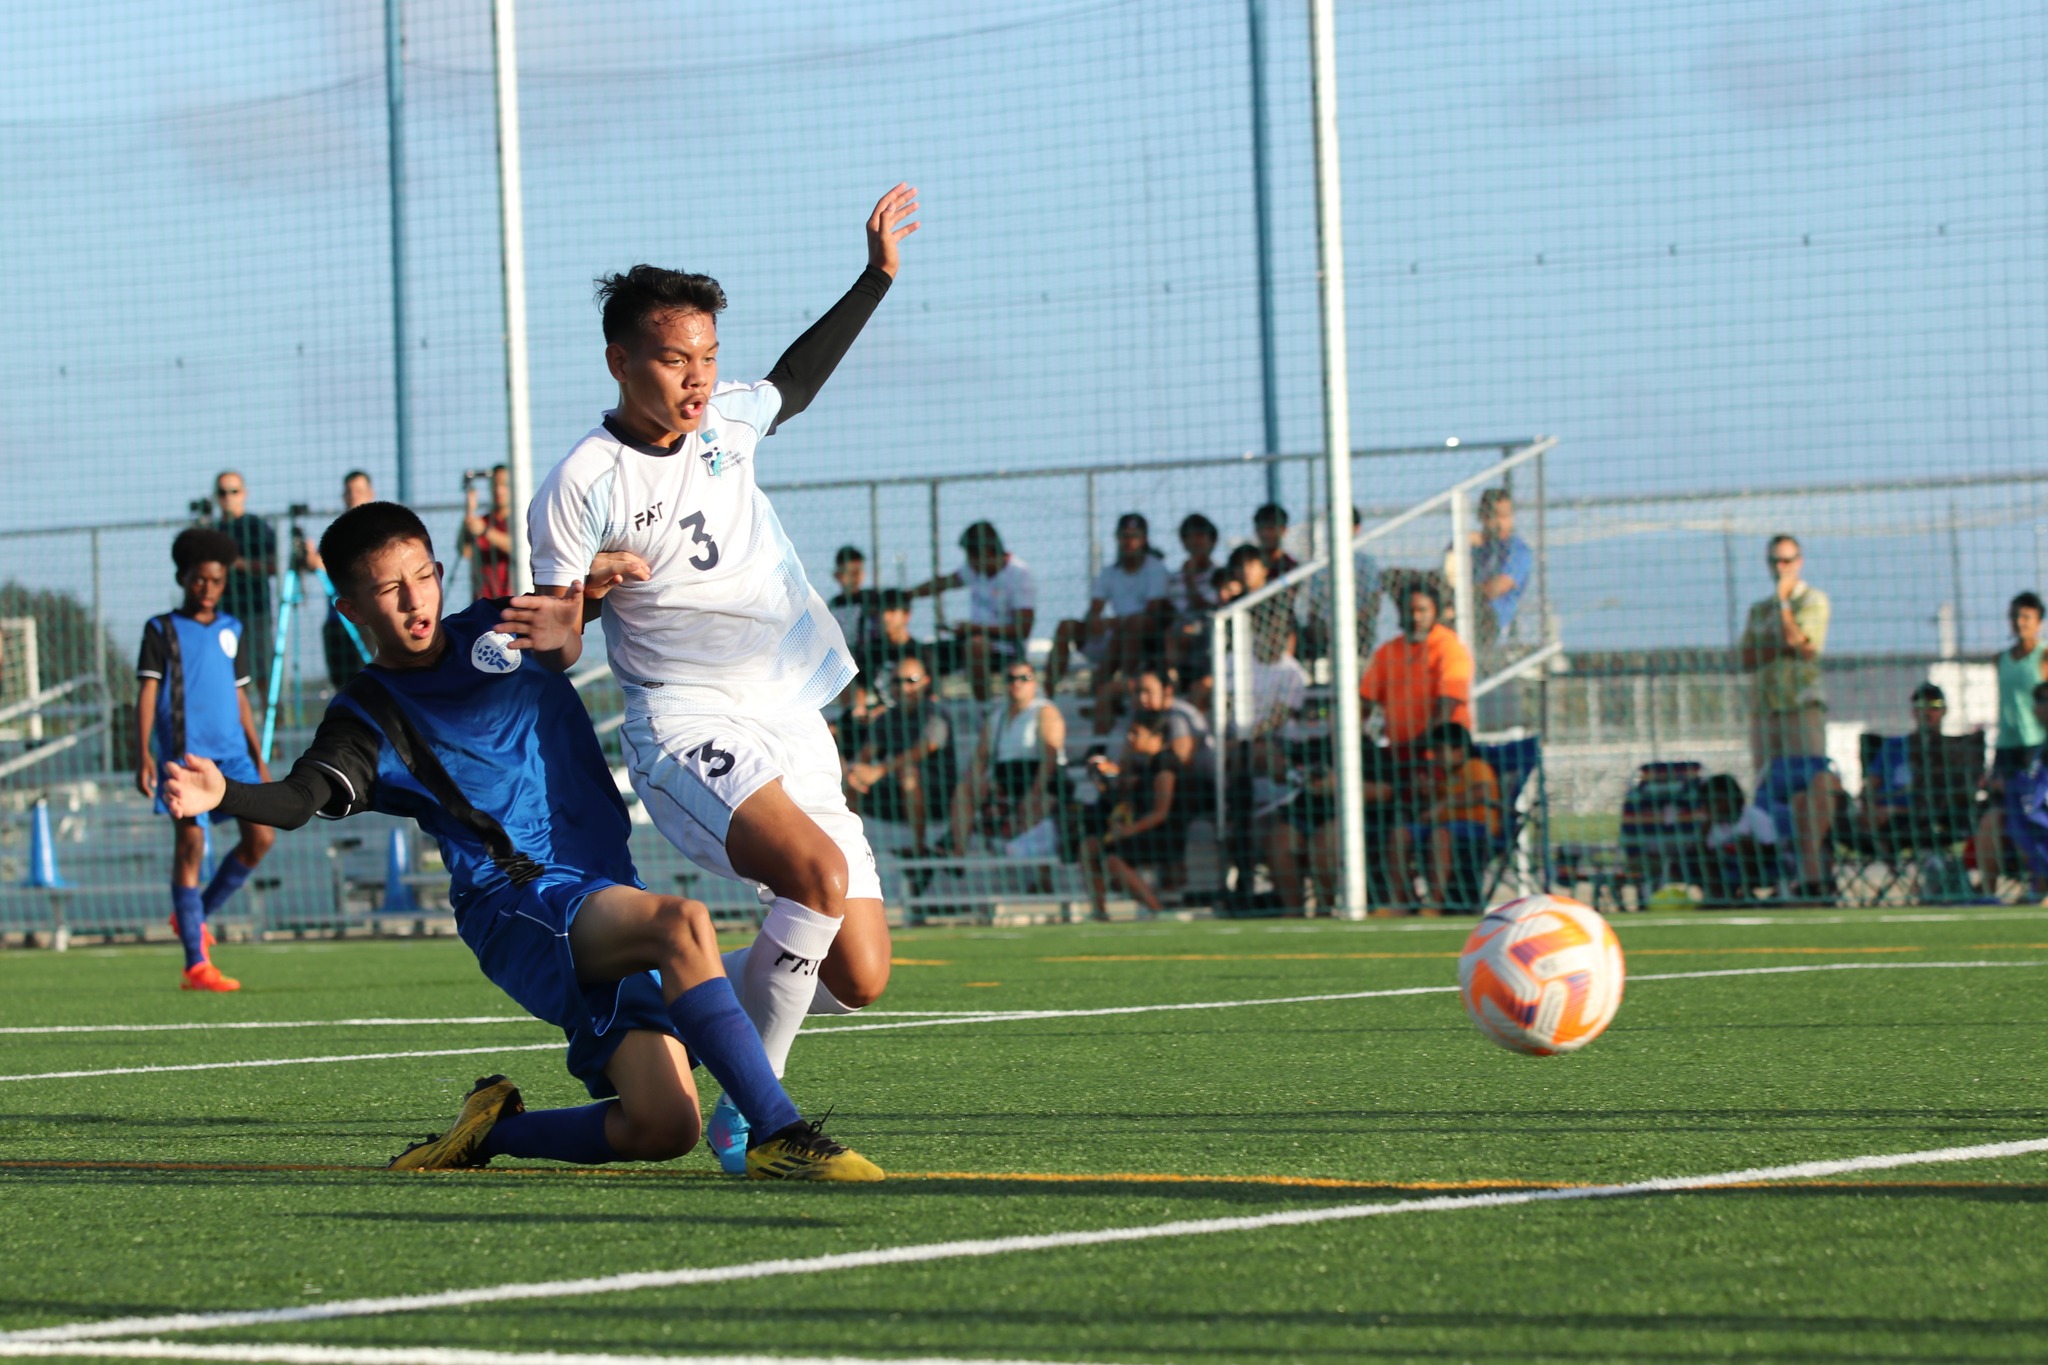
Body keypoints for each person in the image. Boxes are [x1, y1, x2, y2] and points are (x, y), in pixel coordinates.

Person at [161, 503, 877, 1180]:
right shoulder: (365, 714)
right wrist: (222, 792)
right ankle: (781, 1136)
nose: (413, 602)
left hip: (598, 890)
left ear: (440, 573)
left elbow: (577, 604)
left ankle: (487, 1131)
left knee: (663, 1126)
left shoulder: (499, 629)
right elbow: (297, 799)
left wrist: (610, 573)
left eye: (422, 577)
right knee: (682, 922)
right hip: (520, 902)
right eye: (388, 590)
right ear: (351, 610)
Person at [528, 185, 917, 1173]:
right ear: (620, 360)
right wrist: (591, 596)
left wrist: (871, 280)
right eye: (672, 357)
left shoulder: (725, 424)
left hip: (788, 711)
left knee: (860, 972)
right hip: (687, 723)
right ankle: (753, 1120)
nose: (697, 376)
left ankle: (678, 1003)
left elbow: (793, 380)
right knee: (815, 879)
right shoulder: (582, 483)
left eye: (705, 355)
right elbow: (551, 645)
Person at [135, 528, 275, 992]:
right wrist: (144, 755)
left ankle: (195, 916)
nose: (208, 588)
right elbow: (148, 691)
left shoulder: (231, 629)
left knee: (261, 840)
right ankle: (196, 963)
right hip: (186, 756)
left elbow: (241, 699)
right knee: (189, 848)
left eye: (216, 581)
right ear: (183, 577)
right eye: (199, 579)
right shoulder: (161, 629)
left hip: (233, 757)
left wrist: (258, 758)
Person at [1737, 535, 1839, 900]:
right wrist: (1781, 642)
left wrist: (1783, 607)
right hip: (1766, 711)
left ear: (1799, 561)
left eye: (1786, 561)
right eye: (1774, 562)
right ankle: (1781, 874)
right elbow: (1747, 658)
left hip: (1801, 709)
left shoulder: (1813, 601)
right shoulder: (1757, 610)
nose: (1779, 569)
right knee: (1767, 793)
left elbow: (1804, 646)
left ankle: (1816, 873)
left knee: (1808, 790)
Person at [1049, 513, 1173, 732]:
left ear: (1144, 539)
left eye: (1134, 536)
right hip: (1116, 636)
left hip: (1144, 639)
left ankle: (1114, 692)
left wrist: (1111, 623)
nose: (1128, 541)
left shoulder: (1155, 568)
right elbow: (1093, 611)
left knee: (1133, 625)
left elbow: (1154, 612)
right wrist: (1095, 622)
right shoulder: (1109, 573)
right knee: (1066, 626)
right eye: (1124, 536)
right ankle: (1048, 695)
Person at [1264, 734, 1398, 914]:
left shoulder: (1371, 751)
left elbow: (1385, 792)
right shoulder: (1315, 745)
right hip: (1304, 816)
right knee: (1280, 842)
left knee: (1324, 844)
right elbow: (1279, 770)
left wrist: (1338, 786)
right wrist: (1291, 771)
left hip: (1351, 819)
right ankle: (1293, 912)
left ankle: (1324, 910)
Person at [949, 659, 1066, 856]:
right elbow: (980, 757)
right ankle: (958, 851)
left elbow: (1050, 758)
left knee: (1034, 806)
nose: (1017, 683)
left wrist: (1034, 793)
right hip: (1006, 780)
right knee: (965, 789)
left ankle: (1041, 878)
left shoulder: (1045, 711)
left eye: (1024, 678)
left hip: (1040, 779)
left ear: (1034, 683)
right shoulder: (997, 716)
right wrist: (978, 782)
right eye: (1011, 678)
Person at [910, 522, 1036, 702]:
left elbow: (1023, 629)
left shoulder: (1019, 574)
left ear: (985, 553)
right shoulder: (975, 570)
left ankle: (984, 708)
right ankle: (929, 707)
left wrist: (975, 629)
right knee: (923, 653)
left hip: (1006, 647)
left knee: (975, 646)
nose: (968, 562)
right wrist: (908, 594)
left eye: (970, 556)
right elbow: (944, 583)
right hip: (970, 638)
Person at [1384, 721, 1498, 914]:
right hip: (1443, 826)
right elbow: (1434, 809)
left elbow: (1483, 792)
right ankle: (1399, 902)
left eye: (1438, 750)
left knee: (1441, 835)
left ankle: (1434, 904)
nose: (1434, 757)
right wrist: (1426, 793)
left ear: (1459, 751)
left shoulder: (1475, 766)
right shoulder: (1443, 777)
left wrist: (1445, 804)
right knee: (1400, 833)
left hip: (1476, 828)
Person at [1976, 592, 2048, 893]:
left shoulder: (2043, 658)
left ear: (2039, 622)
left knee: (2034, 813)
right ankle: (2016, 886)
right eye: (2016, 617)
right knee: (2009, 816)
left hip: (2036, 746)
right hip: (2007, 746)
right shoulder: (2000, 659)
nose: (2021, 623)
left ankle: (2041, 879)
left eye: (2027, 618)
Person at [842, 659, 951, 857]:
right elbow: (866, 754)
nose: (903, 687)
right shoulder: (887, 718)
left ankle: (918, 848)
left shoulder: (936, 713)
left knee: (908, 772)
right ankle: (851, 849)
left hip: (939, 795)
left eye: (911, 680)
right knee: (853, 776)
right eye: (897, 681)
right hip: (895, 793)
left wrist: (878, 771)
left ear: (926, 682)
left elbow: (925, 748)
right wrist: (858, 772)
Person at [1082, 711, 1184, 919]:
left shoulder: (1165, 765)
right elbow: (1125, 785)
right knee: (1089, 847)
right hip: (1142, 832)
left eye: (1136, 733)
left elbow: (1160, 813)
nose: (1130, 738)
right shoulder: (1147, 763)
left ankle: (1157, 910)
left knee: (1112, 860)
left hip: (1163, 836)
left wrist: (1127, 831)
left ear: (1157, 737)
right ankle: (1099, 912)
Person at [1856, 682, 1980, 848]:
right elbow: (1870, 785)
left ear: (1944, 711)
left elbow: (1944, 800)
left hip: (1918, 818)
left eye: (1934, 705)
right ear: (1913, 711)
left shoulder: (1952, 751)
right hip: (1879, 814)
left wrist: (1894, 811)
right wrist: (1869, 808)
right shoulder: (1894, 746)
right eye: (1921, 705)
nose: (1926, 711)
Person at [1359, 583, 1474, 751]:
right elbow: (1365, 702)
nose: (1415, 617)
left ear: (1436, 612)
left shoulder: (1449, 648)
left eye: (1422, 610)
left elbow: (1448, 706)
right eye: (1409, 610)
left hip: (1442, 753)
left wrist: (1421, 746)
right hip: (1399, 753)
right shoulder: (1387, 652)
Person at [301, 469, 378, 689]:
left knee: (366, 681)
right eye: (349, 492)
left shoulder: (377, 531)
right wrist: (309, 559)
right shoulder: (335, 533)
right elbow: (316, 563)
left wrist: (321, 564)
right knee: (342, 685)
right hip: (336, 619)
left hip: (364, 619)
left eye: (359, 491)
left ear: (370, 493)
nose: (353, 496)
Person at [210, 470, 278, 689]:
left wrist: (238, 564)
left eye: (234, 491)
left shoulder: (257, 527)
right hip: (222, 612)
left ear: (244, 493)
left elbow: (274, 565)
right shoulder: (210, 530)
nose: (228, 497)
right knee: (230, 676)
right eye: (222, 492)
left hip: (255, 611)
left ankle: (272, 722)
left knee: (263, 673)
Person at [1302, 506, 1382, 665]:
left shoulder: (1367, 563)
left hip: (1358, 631)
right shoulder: (1321, 564)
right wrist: (1325, 628)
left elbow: (1374, 604)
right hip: (1324, 633)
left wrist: (1346, 625)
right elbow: (1313, 606)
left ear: (1356, 529)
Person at [1699, 774, 1778, 905]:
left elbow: (1773, 849)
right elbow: (1706, 853)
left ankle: (1746, 893)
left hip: (1761, 866)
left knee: (1743, 846)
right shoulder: (1711, 825)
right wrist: (1703, 834)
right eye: (1707, 802)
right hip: (1725, 867)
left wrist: (1748, 845)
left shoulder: (1755, 817)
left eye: (1716, 801)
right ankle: (1717, 896)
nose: (1711, 807)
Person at [1468, 488, 1533, 646]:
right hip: (1464, 619)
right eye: (1494, 516)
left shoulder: (1517, 551)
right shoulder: (1471, 546)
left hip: (1491, 628)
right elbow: (1446, 574)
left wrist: (1459, 594)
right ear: (1481, 517)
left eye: (1506, 516)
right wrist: (1458, 545)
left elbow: (1496, 588)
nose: (1500, 523)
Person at [459, 465, 513, 603]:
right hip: (483, 603)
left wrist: (485, 532)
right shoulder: (482, 521)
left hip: (513, 600)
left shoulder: (520, 522)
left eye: (504, 485)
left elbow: (518, 547)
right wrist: (470, 511)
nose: (498, 490)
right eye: (495, 485)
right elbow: (464, 550)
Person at [826, 546, 885, 660]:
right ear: (838, 575)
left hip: (871, 657)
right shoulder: (833, 604)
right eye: (850, 572)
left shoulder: (872, 598)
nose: (855, 577)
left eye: (858, 571)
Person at [1252, 502, 1299, 581]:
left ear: (1284, 530)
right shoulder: (1245, 566)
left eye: (1271, 528)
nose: (1266, 533)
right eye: (1261, 528)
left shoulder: (1291, 568)